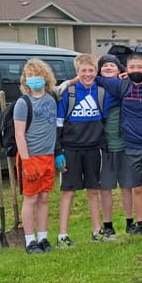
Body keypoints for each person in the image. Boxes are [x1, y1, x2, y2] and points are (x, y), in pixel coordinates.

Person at [94, 53, 142, 235]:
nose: (136, 71)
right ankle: (140, 225)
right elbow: (91, 77)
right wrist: (66, 84)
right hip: (132, 145)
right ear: (126, 70)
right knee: (138, 188)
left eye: (140, 68)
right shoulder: (120, 85)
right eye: (132, 68)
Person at [54, 53, 109, 247]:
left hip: (94, 149)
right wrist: (58, 151)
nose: (87, 74)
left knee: (94, 191)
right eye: (83, 71)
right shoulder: (67, 93)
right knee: (68, 192)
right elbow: (58, 124)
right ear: (77, 72)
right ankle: (62, 236)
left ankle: (97, 230)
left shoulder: (101, 92)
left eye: (91, 70)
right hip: (70, 149)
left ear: (96, 71)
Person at [13, 59, 58, 254]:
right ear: (25, 79)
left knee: (44, 198)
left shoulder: (52, 97)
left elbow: (70, 84)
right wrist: (26, 161)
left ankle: (43, 237)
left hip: (48, 156)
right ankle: (30, 240)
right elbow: (19, 134)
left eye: (37, 74)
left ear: (45, 77)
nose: (34, 79)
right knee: (30, 199)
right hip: (31, 157)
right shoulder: (23, 103)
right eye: (30, 75)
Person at [95, 55, 135, 238]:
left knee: (127, 186)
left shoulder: (127, 86)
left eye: (112, 65)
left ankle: (130, 222)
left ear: (120, 70)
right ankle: (108, 224)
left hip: (125, 144)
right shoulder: (95, 88)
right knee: (106, 188)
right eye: (104, 66)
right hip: (104, 146)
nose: (109, 68)